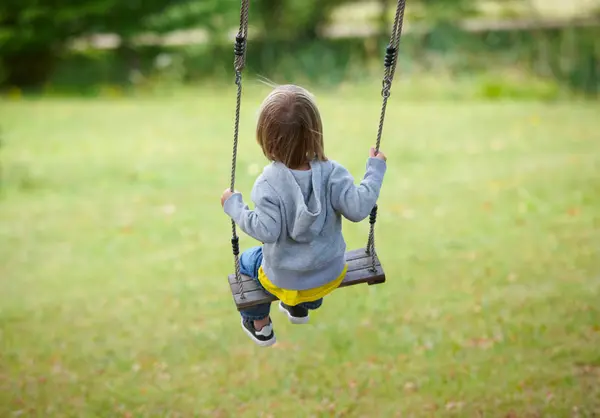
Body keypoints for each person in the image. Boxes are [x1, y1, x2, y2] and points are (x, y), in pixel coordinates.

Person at [221, 84, 387, 347]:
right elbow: (358, 209)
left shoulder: (268, 184)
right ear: (315, 133)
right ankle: (300, 307)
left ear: (266, 140)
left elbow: (266, 231)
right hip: (328, 273)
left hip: (283, 277)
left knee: (246, 261)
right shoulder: (334, 173)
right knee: (310, 266)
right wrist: (375, 171)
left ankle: (260, 324)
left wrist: (234, 207)